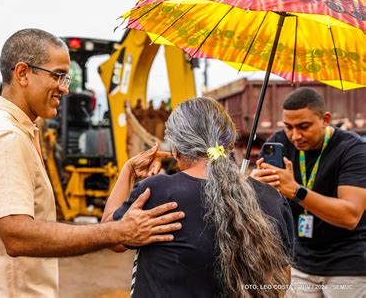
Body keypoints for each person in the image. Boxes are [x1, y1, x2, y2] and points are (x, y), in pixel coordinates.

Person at [0, 28, 184, 297]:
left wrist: (128, 171)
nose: (65, 88)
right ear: (23, 73)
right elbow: (18, 235)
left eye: (67, 77)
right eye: (58, 76)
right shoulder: (6, 137)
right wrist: (116, 232)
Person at [103, 97, 294, 298]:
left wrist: (129, 170)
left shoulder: (156, 193)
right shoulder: (271, 198)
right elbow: (282, 279)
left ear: (176, 147)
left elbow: (111, 236)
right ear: (228, 141)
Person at [252, 88, 366, 297]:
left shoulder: (352, 150)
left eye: (304, 127)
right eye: (288, 127)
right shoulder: (279, 143)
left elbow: (350, 216)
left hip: (348, 265)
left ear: (325, 119)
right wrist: (254, 186)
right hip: (301, 263)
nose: (295, 135)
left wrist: (296, 191)